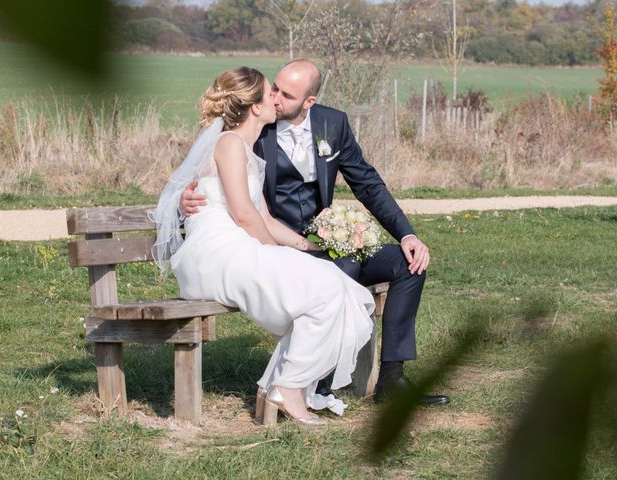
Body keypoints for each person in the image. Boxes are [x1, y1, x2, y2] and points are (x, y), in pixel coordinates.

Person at [180, 60, 450, 406]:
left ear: (309, 102)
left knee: (407, 263)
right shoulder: (256, 125)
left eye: (287, 94)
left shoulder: (331, 123)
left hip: (325, 242)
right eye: (273, 88)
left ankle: (392, 379)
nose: (275, 99)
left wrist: (407, 235)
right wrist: (184, 202)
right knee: (342, 271)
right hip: (279, 244)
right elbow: (208, 171)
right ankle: (313, 382)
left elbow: (367, 184)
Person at [153, 67, 375, 426]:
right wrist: (278, 252)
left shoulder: (246, 149)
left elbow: (266, 219)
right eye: (270, 93)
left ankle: (281, 387)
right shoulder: (228, 144)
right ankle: (288, 388)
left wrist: (309, 248)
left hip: (239, 247)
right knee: (324, 291)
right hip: (216, 255)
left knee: (337, 286)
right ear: (255, 107)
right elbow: (242, 214)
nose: (276, 98)